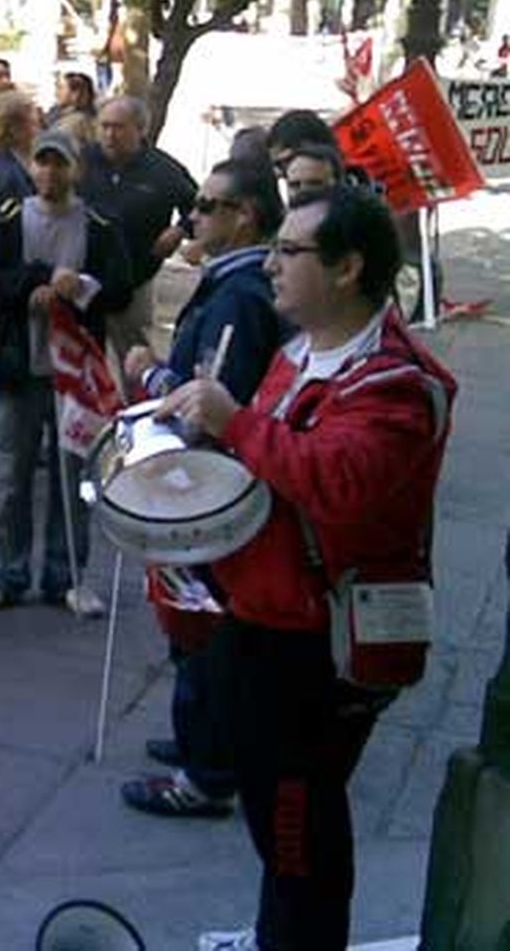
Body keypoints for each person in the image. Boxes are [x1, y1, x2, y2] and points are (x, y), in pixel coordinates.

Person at [164, 186, 455, 951]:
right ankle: (275, 935)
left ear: (349, 267)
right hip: (261, 621)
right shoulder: (298, 353)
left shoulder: (395, 383)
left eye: (290, 251)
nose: (270, 264)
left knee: (300, 827)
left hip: (316, 646)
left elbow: (337, 485)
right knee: (271, 810)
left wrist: (235, 421)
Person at [116, 159, 290, 821]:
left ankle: (206, 771)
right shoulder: (234, 284)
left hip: (212, 488)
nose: (192, 216)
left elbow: (217, 399)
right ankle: (204, 739)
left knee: (203, 628)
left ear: (243, 214)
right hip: (208, 480)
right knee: (194, 631)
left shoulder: (241, 296)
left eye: (207, 206)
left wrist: (150, 373)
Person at [0, 129, 131, 617]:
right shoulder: (10, 219)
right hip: (20, 368)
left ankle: (69, 575)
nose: (49, 173)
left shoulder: (99, 225)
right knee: (10, 478)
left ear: (74, 169)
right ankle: (3, 572)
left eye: (59, 163)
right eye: (41, 162)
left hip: (75, 377)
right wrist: (34, 284)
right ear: (31, 167)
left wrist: (80, 287)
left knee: (73, 479)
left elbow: (120, 289)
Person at [79, 95, 199, 362]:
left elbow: (201, 205)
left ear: (140, 129)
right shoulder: (81, 161)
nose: (110, 135)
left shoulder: (164, 170)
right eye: (105, 126)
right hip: (84, 277)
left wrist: (180, 230)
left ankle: (138, 403)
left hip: (136, 278)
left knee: (134, 361)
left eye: (119, 127)